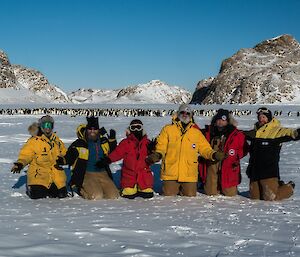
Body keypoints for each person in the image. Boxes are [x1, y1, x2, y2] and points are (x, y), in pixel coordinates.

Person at [146, 104, 225, 197]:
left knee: (190, 196)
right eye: (182, 112)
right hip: (171, 171)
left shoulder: (196, 132)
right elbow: (161, 146)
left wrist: (213, 154)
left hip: (189, 173)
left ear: (191, 115)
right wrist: (157, 154)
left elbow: (205, 148)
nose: (185, 114)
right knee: (168, 195)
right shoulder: (168, 129)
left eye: (188, 113)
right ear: (178, 114)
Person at [57, 116, 119, 200]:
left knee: (114, 196)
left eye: (95, 129)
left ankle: (99, 187)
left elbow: (113, 153)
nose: (92, 131)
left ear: (98, 130)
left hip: (103, 173)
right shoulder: (80, 143)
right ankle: (78, 189)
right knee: (96, 196)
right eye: (90, 129)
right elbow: (70, 156)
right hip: (86, 174)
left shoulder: (103, 141)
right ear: (87, 130)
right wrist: (63, 160)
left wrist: (112, 141)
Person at [244, 107, 299, 201]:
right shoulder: (254, 132)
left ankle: (289, 187)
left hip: (269, 170)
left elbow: (291, 133)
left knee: (271, 198)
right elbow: (239, 134)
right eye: (260, 117)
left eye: (264, 117)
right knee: (254, 198)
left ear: (269, 118)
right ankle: (277, 184)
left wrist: (297, 133)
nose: (261, 119)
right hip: (254, 171)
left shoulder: (276, 131)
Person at [11, 115, 68, 199]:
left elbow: (65, 154)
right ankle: (32, 188)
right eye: (45, 125)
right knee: (38, 197)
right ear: (41, 126)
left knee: (61, 196)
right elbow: (26, 155)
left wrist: (64, 159)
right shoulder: (34, 141)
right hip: (38, 176)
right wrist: (20, 163)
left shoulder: (56, 140)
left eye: (50, 125)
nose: (47, 128)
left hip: (55, 176)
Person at [96, 119, 154, 199]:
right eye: (133, 128)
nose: (136, 130)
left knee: (147, 193)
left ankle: (141, 187)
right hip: (129, 175)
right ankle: (130, 187)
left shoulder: (147, 143)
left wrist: (153, 150)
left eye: (138, 127)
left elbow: (153, 158)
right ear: (129, 129)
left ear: (142, 129)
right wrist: (108, 159)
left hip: (144, 175)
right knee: (129, 194)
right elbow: (117, 153)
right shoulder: (126, 143)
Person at [199, 109, 248, 196]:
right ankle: (210, 184)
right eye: (218, 120)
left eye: (223, 120)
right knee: (210, 192)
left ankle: (223, 186)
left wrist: (235, 157)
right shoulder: (209, 132)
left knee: (230, 193)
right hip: (212, 161)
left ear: (228, 121)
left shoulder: (235, 134)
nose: (220, 122)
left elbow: (244, 148)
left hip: (228, 163)